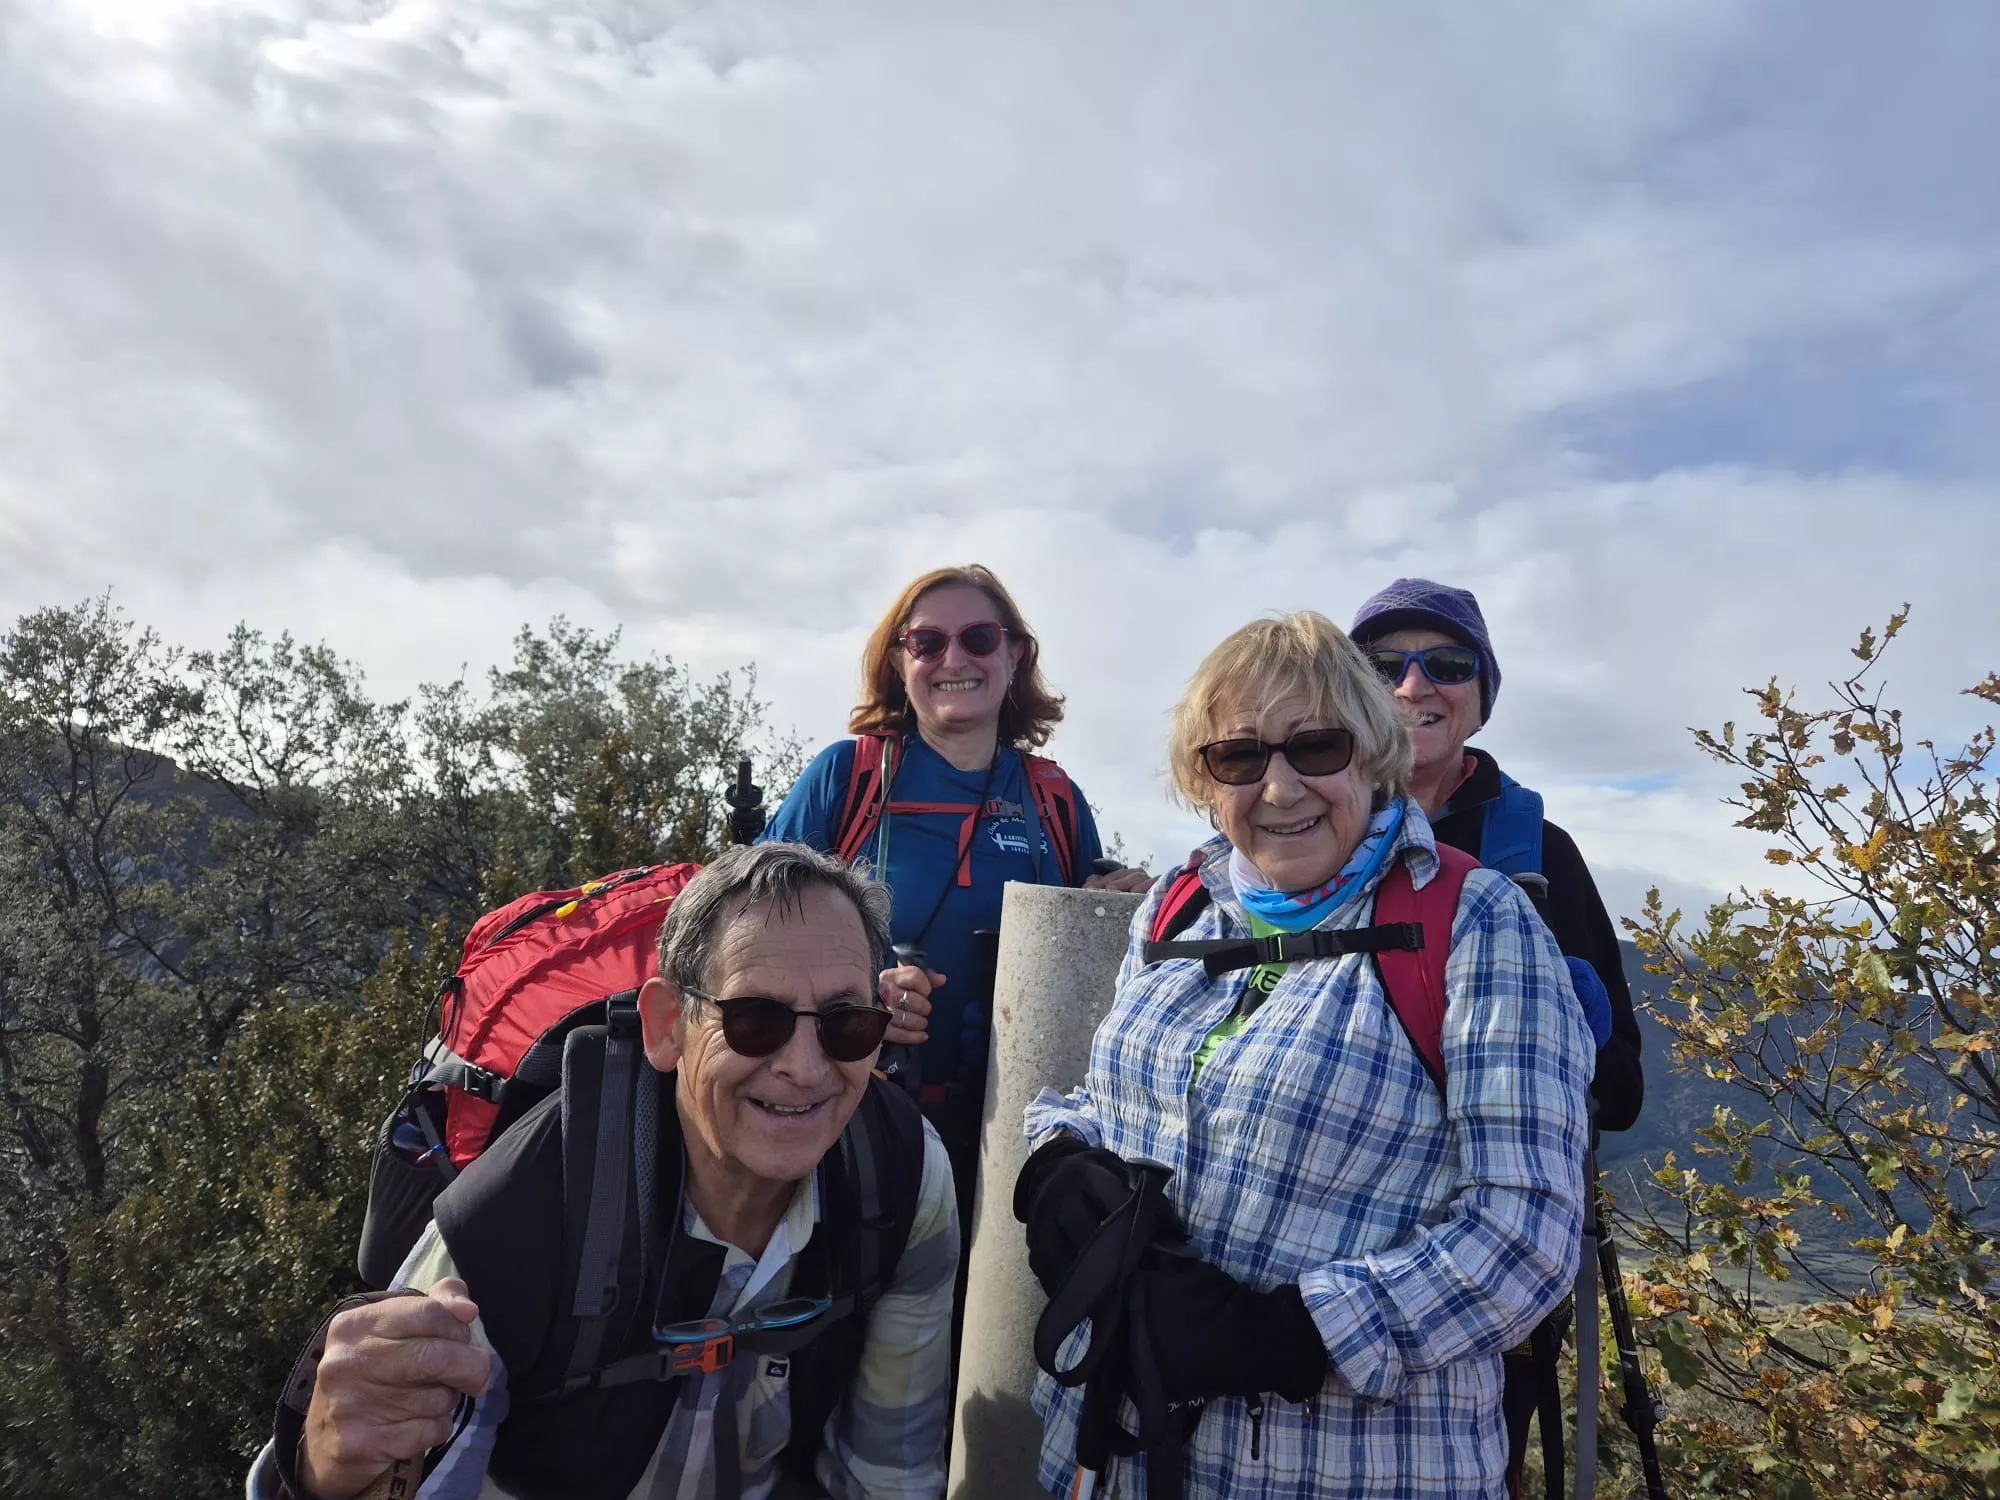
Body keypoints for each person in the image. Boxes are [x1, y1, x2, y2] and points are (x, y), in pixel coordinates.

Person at [1016, 611, 1591, 1499]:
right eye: (1239, 757)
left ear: (1372, 754)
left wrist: (1291, 1335)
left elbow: (1526, 1232)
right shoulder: (1180, 905)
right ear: (1205, 778)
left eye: (1316, 747)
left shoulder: (1478, 924)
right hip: (1110, 1453)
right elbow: (1112, 1096)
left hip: (1344, 1473)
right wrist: (1059, 1162)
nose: (1280, 788)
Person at [246, 843, 959, 1500]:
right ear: (667, 1026)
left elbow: (889, 1475)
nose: (804, 1068)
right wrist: (328, 1471)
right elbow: (387, 1457)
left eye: (845, 1022)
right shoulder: (523, 1212)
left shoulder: (900, 1172)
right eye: (754, 1019)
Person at [763, 563, 1148, 1211]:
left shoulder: (1054, 796)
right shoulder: (847, 777)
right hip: (856, 1126)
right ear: (898, 660)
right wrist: (859, 1002)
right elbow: (752, 936)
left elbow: (1094, 967)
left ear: (1014, 654)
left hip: (1017, 1142)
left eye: (979, 638)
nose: (954, 659)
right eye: (927, 642)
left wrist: (1128, 909)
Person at [1348, 577, 1643, 1131]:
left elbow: (1622, 1097)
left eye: (1450, 665)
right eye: (1382, 668)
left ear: (1482, 702)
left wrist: (1582, 1036)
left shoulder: (1540, 854)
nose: (1413, 687)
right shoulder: (1301, 836)